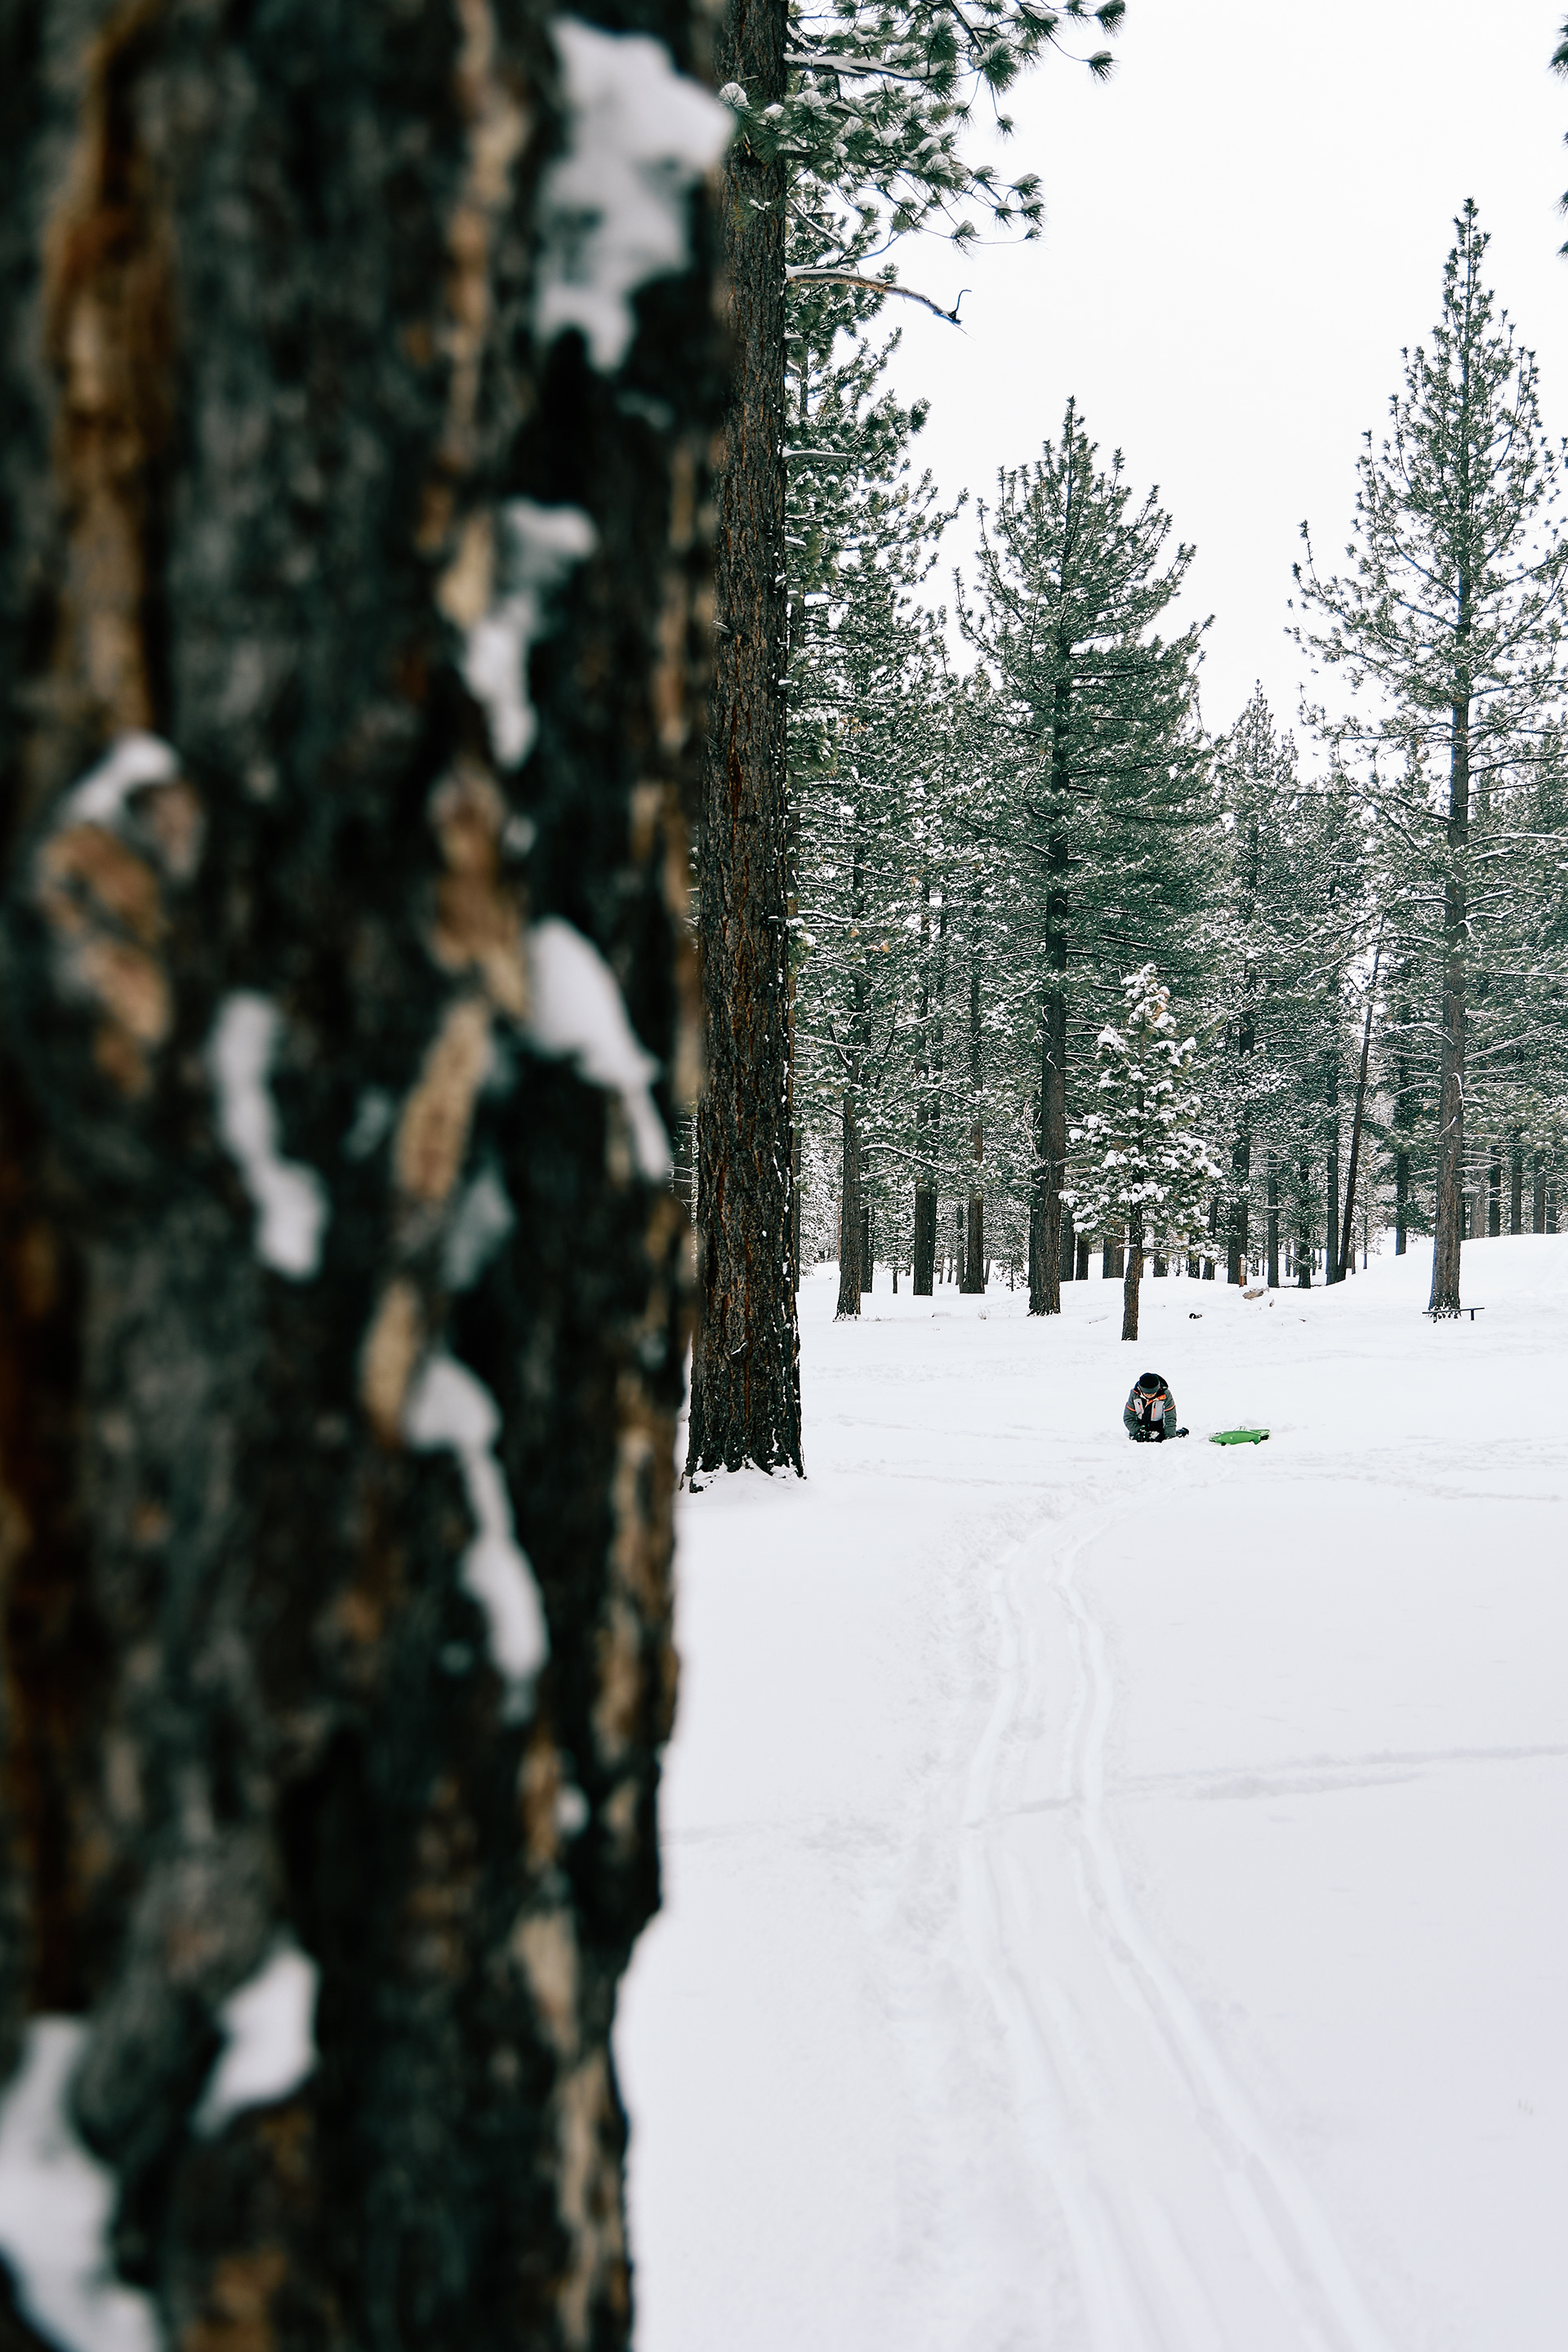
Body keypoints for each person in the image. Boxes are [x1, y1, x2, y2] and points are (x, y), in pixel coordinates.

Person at [1124, 1370, 1179, 1442]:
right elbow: (1129, 1417)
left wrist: (1170, 1438)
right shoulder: (1134, 1395)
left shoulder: (1165, 1395)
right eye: (1146, 1394)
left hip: (1159, 1429)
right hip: (1139, 1429)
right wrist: (1139, 1432)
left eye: (1152, 1394)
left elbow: (1170, 1418)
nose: (1149, 1396)